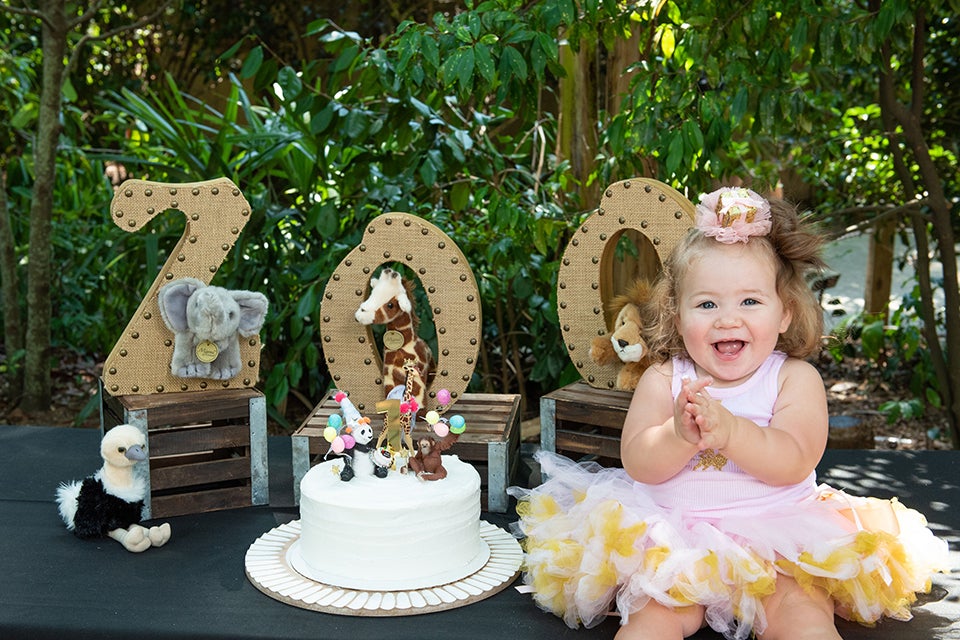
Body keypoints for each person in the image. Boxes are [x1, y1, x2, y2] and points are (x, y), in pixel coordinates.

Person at [511, 187, 949, 640]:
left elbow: (795, 459)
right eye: (706, 304)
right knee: (653, 617)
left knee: (800, 612)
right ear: (677, 318)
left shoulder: (792, 379)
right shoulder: (664, 378)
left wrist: (732, 431)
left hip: (777, 533)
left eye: (750, 302)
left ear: (785, 313)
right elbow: (638, 461)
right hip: (671, 536)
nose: (727, 319)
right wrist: (678, 434)